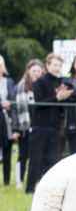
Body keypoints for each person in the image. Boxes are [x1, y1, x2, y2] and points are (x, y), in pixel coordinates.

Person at [28, 52, 74, 191]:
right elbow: (40, 102)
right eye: (55, 65)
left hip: (54, 127)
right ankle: (30, 188)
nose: (57, 68)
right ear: (47, 65)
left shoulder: (60, 82)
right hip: (40, 126)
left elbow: (60, 106)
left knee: (51, 159)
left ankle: (46, 188)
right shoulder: (40, 82)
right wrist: (57, 98)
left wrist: (62, 98)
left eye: (59, 65)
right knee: (36, 159)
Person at [13, 59, 40, 188]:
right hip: (24, 126)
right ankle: (19, 181)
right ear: (28, 71)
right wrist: (15, 129)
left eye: (38, 71)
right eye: (33, 71)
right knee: (22, 155)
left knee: (35, 156)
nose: (36, 73)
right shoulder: (19, 87)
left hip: (38, 125)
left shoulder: (43, 86)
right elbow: (14, 109)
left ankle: (36, 180)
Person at [0, 55, 13, 186]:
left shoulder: (9, 82)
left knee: (8, 149)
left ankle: (7, 180)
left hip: (7, 119)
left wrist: (10, 104)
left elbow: (13, 97)